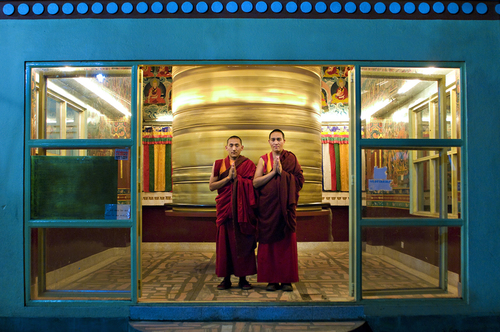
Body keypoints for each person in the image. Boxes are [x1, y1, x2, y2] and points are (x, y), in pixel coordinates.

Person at [253, 129, 304, 292]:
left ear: (284, 141)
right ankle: (272, 280)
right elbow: (255, 182)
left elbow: (299, 180)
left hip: (285, 210)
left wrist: (283, 174)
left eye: (279, 139)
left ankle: (286, 280)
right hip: (268, 209)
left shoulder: (291, 158)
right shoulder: (264, 159)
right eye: (273, 139)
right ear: (269, 142)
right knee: (269, 245)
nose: (276, 142)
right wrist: (274, 173)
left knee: (286, 244)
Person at [209, 136, 257, 290]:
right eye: (231, 145)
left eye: (237, 145)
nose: (234, 148)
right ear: (226, 147)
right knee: (225, 246)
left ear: (242, 147)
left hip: (242, 212)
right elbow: (211, 186)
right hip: (225, 211)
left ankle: (243, 279)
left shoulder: (248, 164)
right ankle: (226, 279)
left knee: (242, 243)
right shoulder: (218, 164)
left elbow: (254, 186)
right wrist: (229, 178)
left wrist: (240, 180)